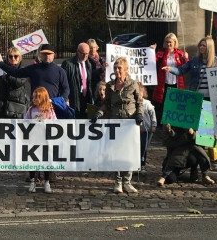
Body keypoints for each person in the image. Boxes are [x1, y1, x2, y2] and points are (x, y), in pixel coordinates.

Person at [92, 56, 143, 194]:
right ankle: (118, 181)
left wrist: (139, 114)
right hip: (116, 121)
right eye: (115, 68)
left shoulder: (133, 84)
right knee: (117, 151)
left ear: (125, 69)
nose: (117, 70)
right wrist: (99, 113)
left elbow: (139, 102)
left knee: (130, 152)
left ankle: (127, 181)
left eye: (119, 68)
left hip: (130, 121)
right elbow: (106, 104)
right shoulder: (110, 85)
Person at [0, 44, 70, 101]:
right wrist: (1, 64)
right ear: (40, 55)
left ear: (54, 55)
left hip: (53, 107)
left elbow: (66, 88)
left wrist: (61, 100)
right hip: (35, 106)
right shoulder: (34, 68)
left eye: (49, 54)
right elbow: (16, 72)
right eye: (44, 54)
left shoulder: (60, 71)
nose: (47, 56)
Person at [24, 87, 57, 193]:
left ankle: (46, 181)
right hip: (33, 140)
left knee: (46, 161)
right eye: (33, 97)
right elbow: (24, 122)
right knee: (32, 160)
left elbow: (55, 123)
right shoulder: (31, 110)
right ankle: (33, 180)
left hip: (46, 140)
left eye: (36, 97)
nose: (34, 99)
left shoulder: (49, 110)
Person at [152, 33, 187, 121]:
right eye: (167, 42)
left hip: (176, 83)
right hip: (164, 82)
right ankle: (162, 123)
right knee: (162, 103)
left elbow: (185, 67)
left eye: (170, 42)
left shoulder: (180, 54)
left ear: (175, 42)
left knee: (175, 104)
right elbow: (152, 61)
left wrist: (186, 58)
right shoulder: (161, 53)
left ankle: (173, 123)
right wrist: (151, 51)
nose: (168, 44)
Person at [0, 46, 30, 119]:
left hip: (16, 109)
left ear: (19, 58)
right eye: (10, 56)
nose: (13, 58)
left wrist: (5, 73)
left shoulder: (23, 70)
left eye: (16, 56)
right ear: (7, 58)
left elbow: (18, 82)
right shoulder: (0, 68)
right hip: (1, 107)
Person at [62, 42, 93, 118]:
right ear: (77, 51)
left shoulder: (89, 63)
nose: (85, 56)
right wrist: (66, 98)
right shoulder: (68, 64)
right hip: (73, 97)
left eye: (87, 54)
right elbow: (63, 83)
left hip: (86, 97)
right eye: (82, 53)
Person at [139, 85, 157, 169]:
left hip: (145, 130)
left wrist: (154, 125)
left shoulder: (147, 104)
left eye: (140, 93)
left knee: (144, 147)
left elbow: (152, 115)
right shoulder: (132, 103)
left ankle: (142, 165)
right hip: (135, 130)